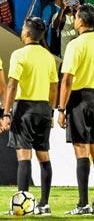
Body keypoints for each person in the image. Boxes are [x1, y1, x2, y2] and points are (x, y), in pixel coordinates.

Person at [57, 4, 94, 215]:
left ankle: (82, 204)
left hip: (80, 99)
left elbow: (67, 79)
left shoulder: (75, 44)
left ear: (81, 21)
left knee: (81, 151)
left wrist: (61, 108)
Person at [0, 17, 57, 216]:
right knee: (44, 157)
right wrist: (50, 111)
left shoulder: (19, 54)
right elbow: (53, 87)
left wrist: (6, 113)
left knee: (24, 157)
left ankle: (22, 207)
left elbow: (12, 85)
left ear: (26, 33)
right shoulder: (48, 56)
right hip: (43, 109)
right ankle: (44, 204)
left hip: (23, 108)